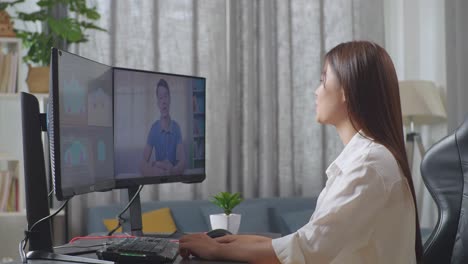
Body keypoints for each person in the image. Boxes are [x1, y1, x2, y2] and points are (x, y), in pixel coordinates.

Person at [178, 41, 423, 264]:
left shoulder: (369, 165)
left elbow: (308, 249)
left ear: (346, 89)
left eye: (323, 79)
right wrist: (236, 242)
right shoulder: (368, 159)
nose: (316, 91)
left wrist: (216, 250)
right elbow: (308, 240)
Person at [141, 79, 186, 176]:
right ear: (157, 103)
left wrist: (172, 171)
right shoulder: (154, 129)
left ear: (170, 99)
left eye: (165, 96)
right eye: (160, 98)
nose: (163, 101)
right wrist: (155, 171)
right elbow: (142, 163)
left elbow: (183, 161)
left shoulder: (176, 127)